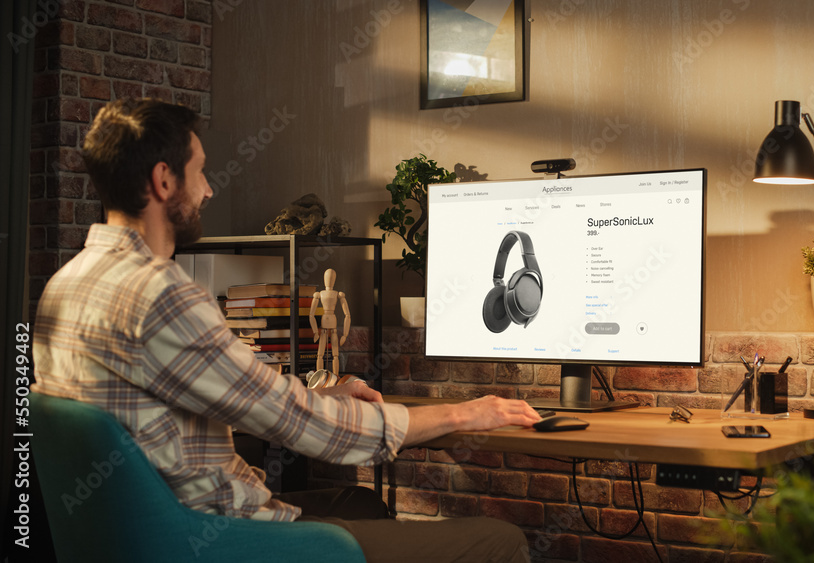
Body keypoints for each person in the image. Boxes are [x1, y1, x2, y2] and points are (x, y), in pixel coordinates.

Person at [31, 98, 540, 563]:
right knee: (502, 541)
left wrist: (324, 390)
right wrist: (461, 412)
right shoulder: (162, 294)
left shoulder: (63, 287)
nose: (208, 189)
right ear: (164, 181)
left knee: (360, 502)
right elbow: (306, 427)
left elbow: (218, 396)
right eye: (200, 173)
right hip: (220, 538)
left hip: (139, 536)